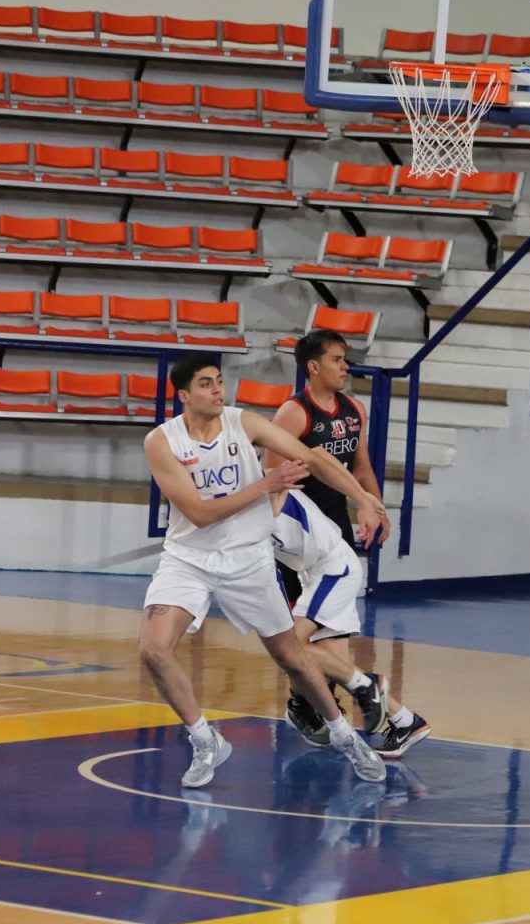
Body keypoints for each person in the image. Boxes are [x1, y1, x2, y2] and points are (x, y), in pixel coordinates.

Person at [139, 353, 389, 788]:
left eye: (219, 381)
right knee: (153, 650)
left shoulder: (243, 422)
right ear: (183, 395)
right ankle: (205, 741)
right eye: (206, 384)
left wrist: (363, 499)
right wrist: (264, 486)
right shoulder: (161, 441)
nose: (218, 390)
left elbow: (312, 456)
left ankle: (345, 737)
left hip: (248, 559)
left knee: (291, 657)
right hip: (189, 559)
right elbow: (199, 514)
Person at [271, 486, 432, 758]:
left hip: (332, 569)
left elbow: (325, 466)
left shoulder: (263, 489)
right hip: (318, 571)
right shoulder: (241, 503)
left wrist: (362, 499)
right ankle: (406, 721)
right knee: (334, 666)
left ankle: (360, 688)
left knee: (289, 647)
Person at [268, 329, 386, 602]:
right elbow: (273, 476)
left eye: (344, 359)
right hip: (300, 526)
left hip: (337, 518)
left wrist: (377, 509)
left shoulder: (355, 409)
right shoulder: (293, 412)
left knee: (338, 604)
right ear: (314, 367)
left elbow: (362, 468)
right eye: (336, 360)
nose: (345, 367)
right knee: (295, 607)